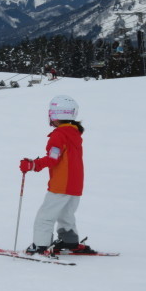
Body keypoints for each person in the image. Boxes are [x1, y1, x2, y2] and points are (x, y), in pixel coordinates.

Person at [19, 95, 94, 255]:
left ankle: (40, 246)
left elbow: (53, 158)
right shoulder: (74, 134)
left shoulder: (59, 135)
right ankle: (69, 240)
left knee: (45, 216)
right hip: (75, 185)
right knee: (65, 214)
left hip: (61, 184)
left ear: (55, 115)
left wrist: (33, 165)